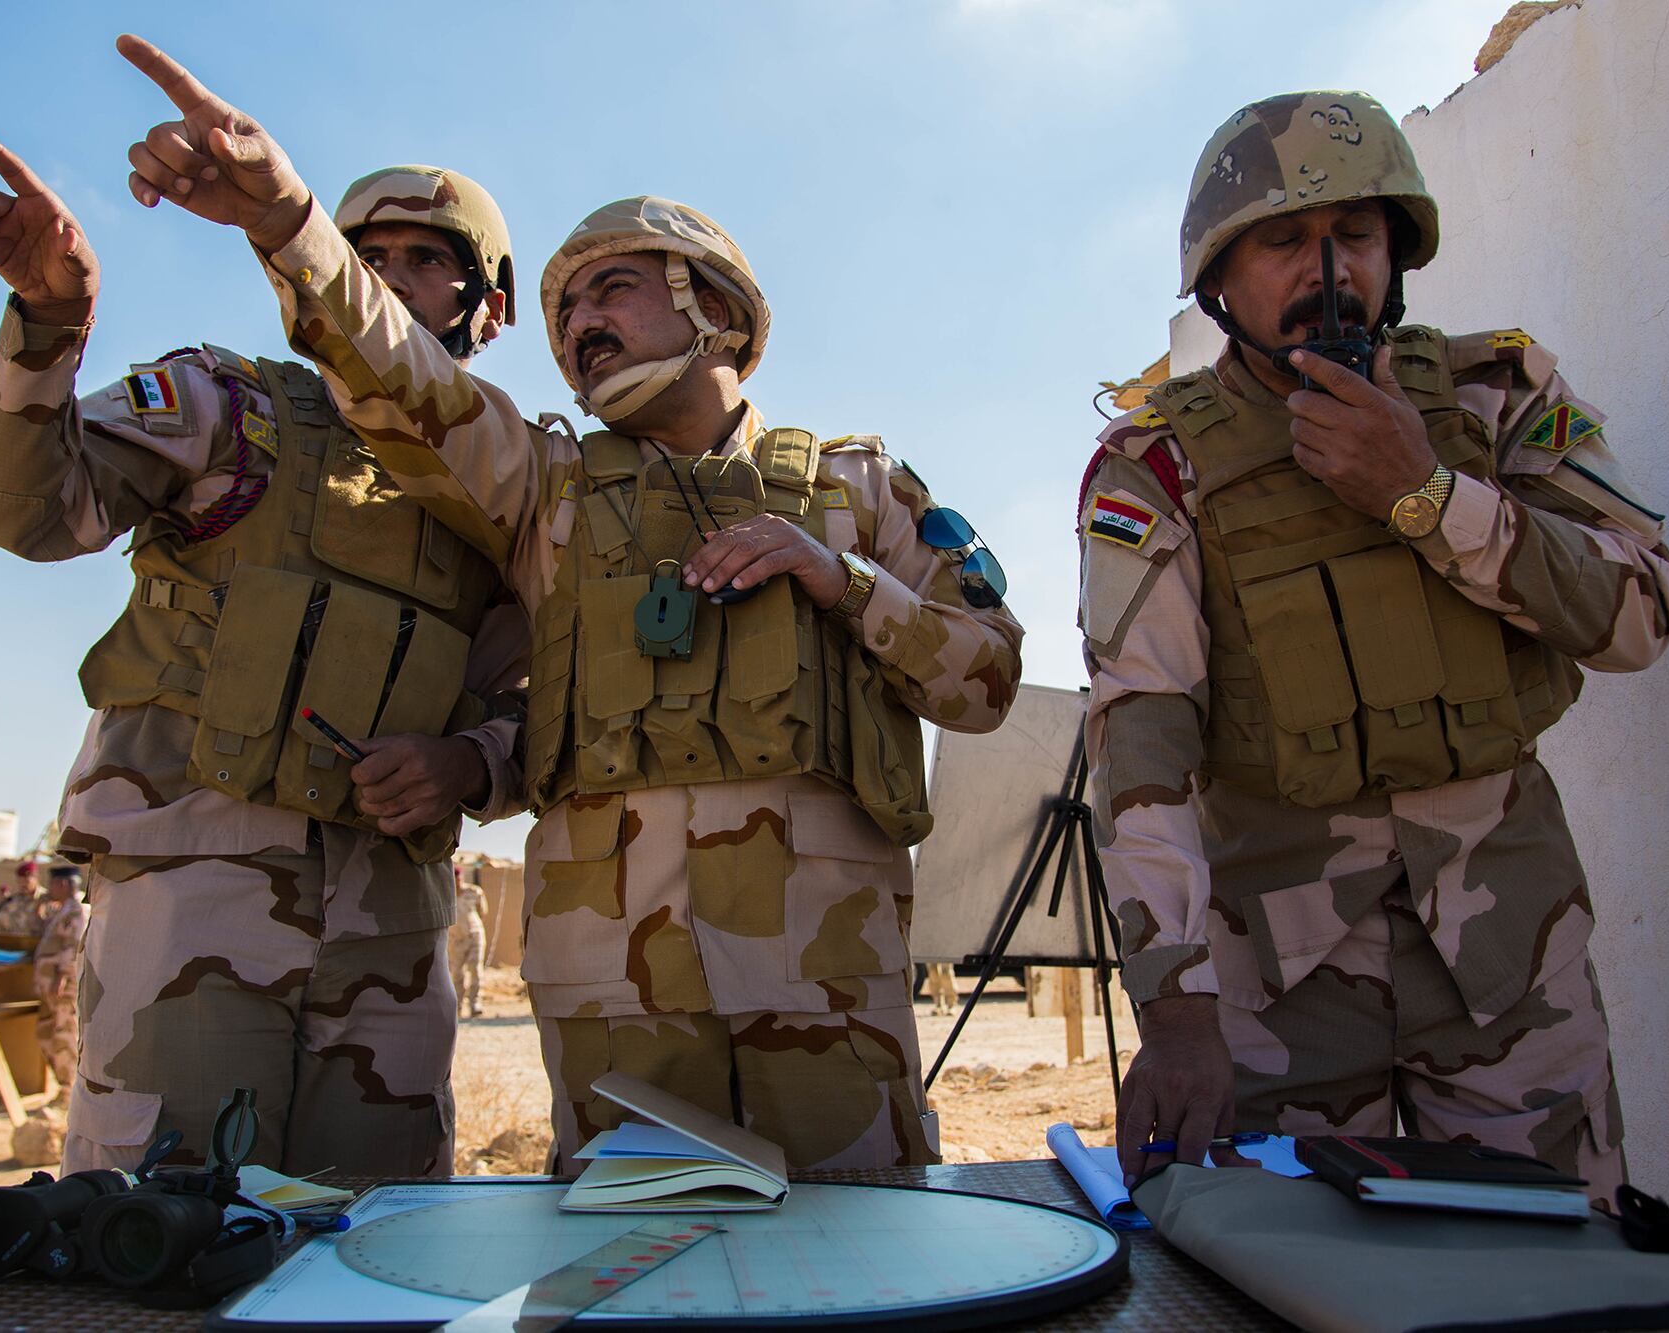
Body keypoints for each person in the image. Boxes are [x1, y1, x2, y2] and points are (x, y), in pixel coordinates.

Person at [112, 36, 1024, 1170]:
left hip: (824, 976)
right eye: (564, 308)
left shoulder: (861, 490)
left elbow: (986, 684)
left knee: (860, 1255)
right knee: (630, 1264)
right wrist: (288, 222)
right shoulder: (539, 488)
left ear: (719, 313)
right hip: (612, 990)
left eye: (615, 288)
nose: (580, 322)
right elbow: (403, 375)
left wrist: (836, 578)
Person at [1078, 91, 1669, 1199]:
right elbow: (1140, 727)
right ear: (1216, 277)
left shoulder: (1498, 399)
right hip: (1275, 975)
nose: (1326, 269)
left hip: (1510, 951)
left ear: (1395, 254)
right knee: (1274, 1279)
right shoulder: (1155, 465)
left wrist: (1426, 494)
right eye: (1282, 241)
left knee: (1554, 1279)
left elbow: (1638, 614)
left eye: (1353, 236)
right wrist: (1173, 1002)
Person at [0, 121, 528, 1177]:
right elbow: (28, 508)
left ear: (484, 309)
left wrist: (471, 761)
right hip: (189, 898)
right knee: (165, 1233)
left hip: (391, 927)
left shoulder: (505, 487)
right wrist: (46, 321)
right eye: (364, 257)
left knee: (380, 1242)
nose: (386, 280)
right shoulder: (228, 406)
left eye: (426, 260)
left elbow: (542, 700)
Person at [33, 865, 87, 1099]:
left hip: (62, 985)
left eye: (53, 884)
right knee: (46, 1032)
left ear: (63, 884)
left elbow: (74, 948)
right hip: (50, 985)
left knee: (65, 1033)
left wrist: (63, 977)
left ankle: (69, 1090)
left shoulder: (77, 911)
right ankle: (63, 1084)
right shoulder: (63, 910)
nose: (50, 889)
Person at [451, 869, 488, 1019]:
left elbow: (483, 912)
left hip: (474, 936)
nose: (457, 881)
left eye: (458, 878)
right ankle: (457, 1005)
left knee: (475, 968)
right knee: (457, 973)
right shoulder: (446, 894)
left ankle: (475, 1003)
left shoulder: (474, 892)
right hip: (454, 939)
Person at [0, 860, 47, 936]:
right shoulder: (15, 899)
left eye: (26, 881)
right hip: (14, 942)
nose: (23, 885)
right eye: (20, 882)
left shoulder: (46, 898)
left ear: (36, 878)